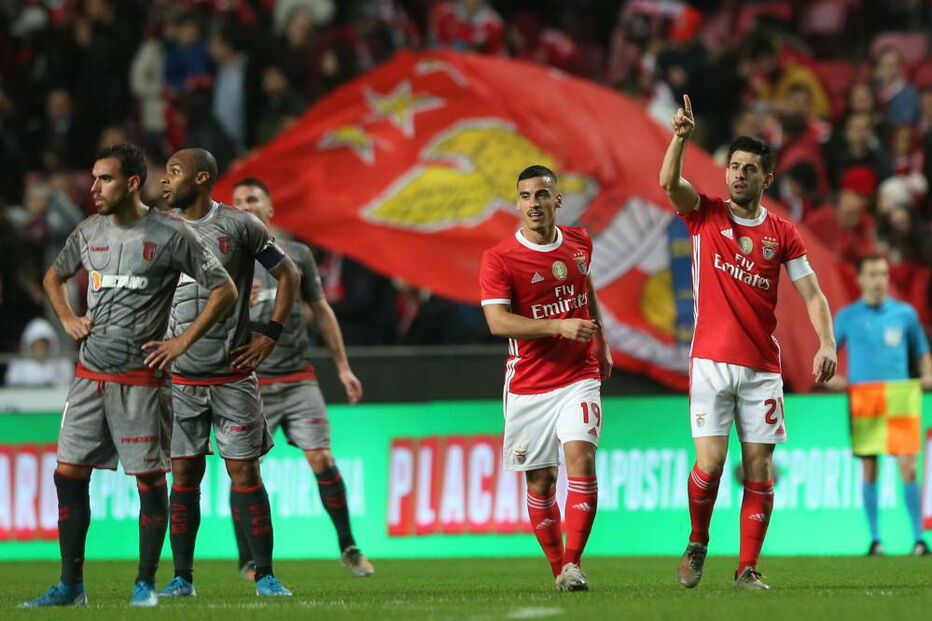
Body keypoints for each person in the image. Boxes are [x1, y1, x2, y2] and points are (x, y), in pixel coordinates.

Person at [21, 144, 237, 608]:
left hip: (141, 382)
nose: (94, 188)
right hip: (88, 378)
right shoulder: (88, 231)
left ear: (133, 183)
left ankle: (144, 583)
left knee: (149, 482)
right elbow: (53, 278)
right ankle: (71, 586)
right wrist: (67, 319)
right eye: (94, 178)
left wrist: (182, 342)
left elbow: (225, 290)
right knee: (67, 474)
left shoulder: (171, 234)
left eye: (105, 179)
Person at [660, 95, 837, 590]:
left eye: (749, 169)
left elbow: (813, 293)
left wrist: (826, 343)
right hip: (711, 362)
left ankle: (746, 569)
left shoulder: (782, 233)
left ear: (767, 179)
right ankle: (698, 541)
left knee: (759, 469)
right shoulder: (704, 214)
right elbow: (669, 184)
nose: (738, 175)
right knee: (711, 463)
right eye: (734, 167)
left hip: (761, 368)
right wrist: (680, 138)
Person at [157, 149, 300, 598]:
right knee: (183, 476)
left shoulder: (240, 225)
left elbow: (289, 274)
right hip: (180, 380)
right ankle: (182, 578)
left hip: (231, 376)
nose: (165, 181)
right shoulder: (158, 229)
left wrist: (270, 333)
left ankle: (265, 575)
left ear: (201, 178)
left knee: (244, 473)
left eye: (174, 172)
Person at [479, 165, 613, 592]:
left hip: (579, 374)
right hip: (529, 383)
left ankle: (573, 564)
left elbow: (585, 288)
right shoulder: (500, 258)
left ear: (558, 200)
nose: (533, 203)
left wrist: (601, 341)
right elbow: (498, 322)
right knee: (541, 482)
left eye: (541, 194)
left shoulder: (580, 241)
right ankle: (558, 569)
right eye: (525, 196)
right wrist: (558, 326)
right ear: (517, 204)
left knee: (582, 459)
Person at [231, 177, 373, 578]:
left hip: (297, 377)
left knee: (321, 457)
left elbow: (321, 310)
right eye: (238, 201)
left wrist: (343, 366)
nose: (245, 206)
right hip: (248, 382)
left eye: (252, 199)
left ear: (269, 208)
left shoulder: (295, 255)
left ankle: (349, 547)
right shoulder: (223, 258)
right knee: (243, 467)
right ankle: (247, 558)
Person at [831, 254, 932, 556]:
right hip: (865, 400)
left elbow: (922, 351)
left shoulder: (905, 314)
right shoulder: (847, 316)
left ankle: (918, 540)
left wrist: (927, 373)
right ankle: (875, 540)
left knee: (908, 467)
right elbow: (827, 355)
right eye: (873, 274)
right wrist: (832, 378)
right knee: (869, 467)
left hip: (899, 398)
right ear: (860, 279)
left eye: (884, 274)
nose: (879, 281)